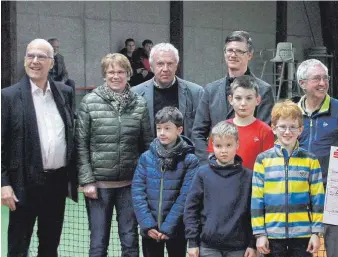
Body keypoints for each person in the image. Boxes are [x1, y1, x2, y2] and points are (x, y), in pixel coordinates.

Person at [1, 38, 78, 257]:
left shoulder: (65, 93)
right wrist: (3, 183)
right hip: (23, 183)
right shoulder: (8, 96)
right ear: (25, 60)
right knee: (18, 246)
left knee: (50, 245)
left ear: (52, 63)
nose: (35, 61)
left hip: (57, 183)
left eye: (41, 57)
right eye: (30, 55)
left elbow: (72, 133)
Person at [76, 53, 153, 257]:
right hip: (98, 187)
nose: (116, 76)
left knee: (129, 240)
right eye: (111, 72)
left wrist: (145, 180)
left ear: (128, 74)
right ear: (104, 75)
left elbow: (146, 144)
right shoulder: (89, 102)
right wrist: (87, 181)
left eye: (120, 71)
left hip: (130, 185)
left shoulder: (139, 103)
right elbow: (81, 145)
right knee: (98, 243)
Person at [296, 59, 338, 257]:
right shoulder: (292, 112)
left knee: (334, 244)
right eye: (317, 78)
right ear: (302, 83)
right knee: (301, 242)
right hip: (298, 189)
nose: (323, 83)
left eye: (325, 78)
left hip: (333, 190)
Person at [252, 100, 325, 257]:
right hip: (272, 235)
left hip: (303, 236)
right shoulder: (262, 160)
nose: (287, 132)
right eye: (283, 127)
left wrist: (316, 232)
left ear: (300, 130)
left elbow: (318, 199)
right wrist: (260, 234)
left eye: (293, 127)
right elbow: (257, 199)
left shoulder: (310, 160)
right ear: (273, 128)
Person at [193, 30, 275, 164]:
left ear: (249, 55)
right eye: (229, 50)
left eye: (239, 51)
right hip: (215, 168)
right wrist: (209, 163)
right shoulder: (210, 90)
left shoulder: (264, 90)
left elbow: (263, 134)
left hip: (249, 168)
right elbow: (198, 133)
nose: (233, 55)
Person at [132, 106, 199, 257]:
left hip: (176, 230)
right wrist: (148, 225)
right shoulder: (146, 158)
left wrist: (169, 227)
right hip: (150, 231)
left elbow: (186, 196)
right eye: (159, 128)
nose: (162, 133)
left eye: (167, 128)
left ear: (179, 130)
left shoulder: (190, 160)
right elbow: (137, 193)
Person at [184, 121, 256, 257]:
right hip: (208, 246)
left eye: (229, 145)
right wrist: (192, 242)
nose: (224, 151)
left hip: (239, 247)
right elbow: (191, 209)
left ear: (237, 145)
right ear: (212, 146)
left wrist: (252, 243)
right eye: (218, 146)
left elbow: (254, 212)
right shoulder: (202, 174)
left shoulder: (248, 176)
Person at [133, 43, 204, 140]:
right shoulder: (136, 94)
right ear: (151, 67)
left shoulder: (196, 92)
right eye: (160, 64)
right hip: (148, 153)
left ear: (176, 66)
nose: (165, 69)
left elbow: (203, 130)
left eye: (170, 64)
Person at [206, 75, 274, 170]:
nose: (243, 103)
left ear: (257, 100)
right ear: (231, 100)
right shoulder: (220, 129)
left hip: (254, 183)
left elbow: (269, 165)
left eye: (249, 98)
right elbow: (212, 161)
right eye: (238, 98)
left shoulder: (265, 131)